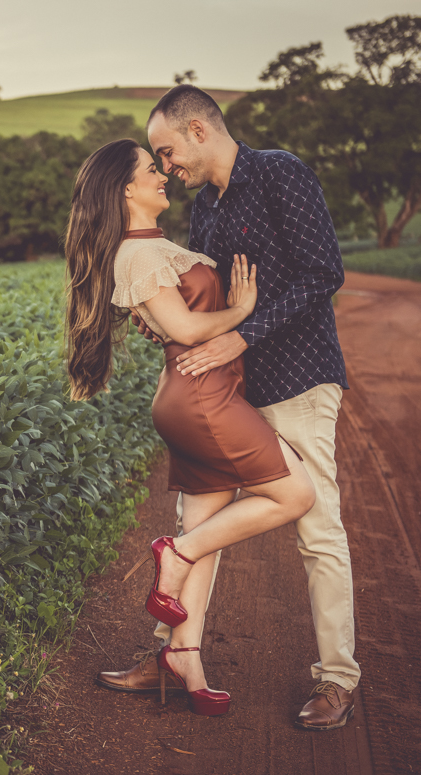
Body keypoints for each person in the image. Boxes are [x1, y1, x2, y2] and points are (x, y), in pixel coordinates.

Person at [92, 85, 360, 730]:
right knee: (196, 525)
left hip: (296, 378)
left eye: (166, 151)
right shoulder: (203, 210)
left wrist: (239, 333)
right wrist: (173, 323)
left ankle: (337, 679)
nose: (166, 167)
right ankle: (170, 657)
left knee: (317, 528)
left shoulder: (279, 172)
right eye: (155, 161)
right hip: (226, 392)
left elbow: (322, 273)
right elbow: (194, 298)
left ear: (197, 130)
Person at [65, 138, 317, 716]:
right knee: (295, 493)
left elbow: (171, 320)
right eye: (151, 170)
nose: (163, 177)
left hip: (201, 392)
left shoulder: (156, 247)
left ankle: (185, 659)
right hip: (203, 397)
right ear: (126, 189)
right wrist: (241, 314)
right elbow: (184, 326)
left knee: (211, 529)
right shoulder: (137, 254)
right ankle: (174, 553)